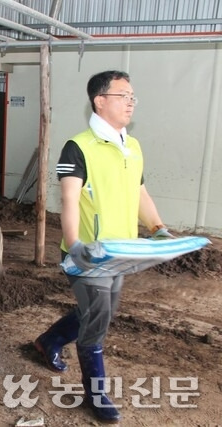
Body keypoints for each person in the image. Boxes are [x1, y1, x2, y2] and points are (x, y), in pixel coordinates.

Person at [33, 70, 173, 423]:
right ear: (100, 100)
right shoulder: (78, 146)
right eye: (123, 95)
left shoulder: (133, 146)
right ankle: (95, 395)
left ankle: (48, 340)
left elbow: (140, 193)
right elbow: (68, 201)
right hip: (88, 254)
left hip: (121, 254)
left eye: (132, 97)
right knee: (97, 321)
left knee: (97, 312)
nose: (130, 102)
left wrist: (157, 228)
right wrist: (77, 247)